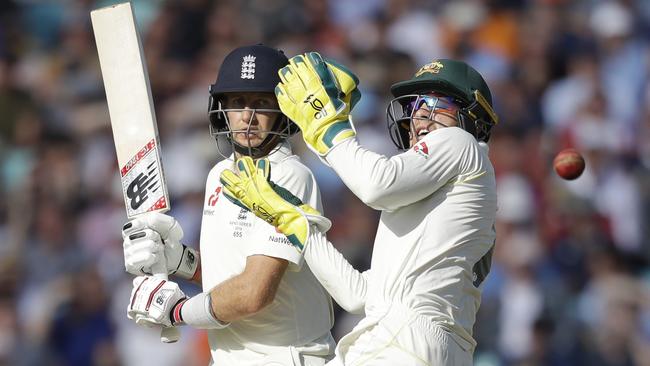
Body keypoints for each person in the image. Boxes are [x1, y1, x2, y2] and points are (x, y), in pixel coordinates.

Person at [220, 53, 499, 365]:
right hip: (414, 342)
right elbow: (360, 297)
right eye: (415, 106)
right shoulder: (440, 197)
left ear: (474, 118)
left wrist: (326, 118)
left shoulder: (462, 144)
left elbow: (376, 184)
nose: (421, 116)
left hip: (405, 339)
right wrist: (295, 223)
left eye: (437, 105)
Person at [121, 45, 337, 366]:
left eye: (261, 104)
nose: (247, 117)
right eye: (237, 103)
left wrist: (178, 310)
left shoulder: (291, 176)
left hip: (287, 357)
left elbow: (253, 293)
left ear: (284, 110)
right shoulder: (219, 175)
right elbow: (229, 276)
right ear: (221, 107)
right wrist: (183, 262)